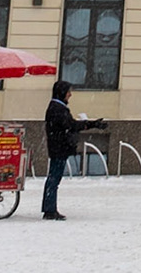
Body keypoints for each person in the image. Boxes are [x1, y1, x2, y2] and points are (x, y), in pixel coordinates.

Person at [42, 80, 106, 220]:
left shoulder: (56, 107)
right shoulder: (58, 109)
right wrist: (92, 124)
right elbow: (71, 125)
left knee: (53, 178)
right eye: (68, 92)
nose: (70, 94)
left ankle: (49, 208)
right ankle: (49, 209)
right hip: (59, 148)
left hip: (57, 147)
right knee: (54, 178)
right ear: (62, 93)